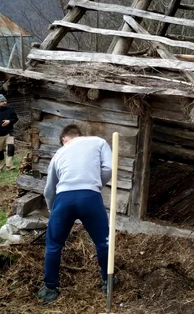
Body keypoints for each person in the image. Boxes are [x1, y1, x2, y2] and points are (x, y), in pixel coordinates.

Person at [37, 124, 118, 303]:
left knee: (54, 245)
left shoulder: (59, 153)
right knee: (103, 241)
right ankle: (107, 280)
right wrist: (95, 185)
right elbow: (108, 169)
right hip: (90, 197)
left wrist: (53, 210)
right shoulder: (98, 142)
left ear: (65, 138)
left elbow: (50, 189)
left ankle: (50, 289)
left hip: (63, 199)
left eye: (63, 141)